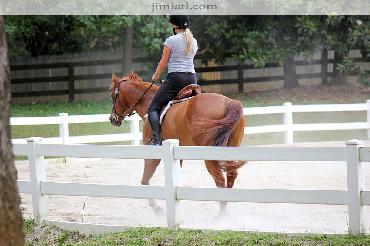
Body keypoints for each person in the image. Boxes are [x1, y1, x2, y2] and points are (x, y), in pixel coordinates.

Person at [147, 15, 198, 145]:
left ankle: (156, 140)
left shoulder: (171, 40)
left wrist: (155, 76)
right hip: (192, 78)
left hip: (176, 78)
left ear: (175, 25)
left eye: (171, 24)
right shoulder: (193, 40)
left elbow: (163, 63)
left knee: (153, 108)